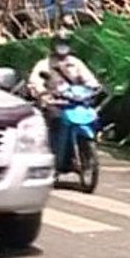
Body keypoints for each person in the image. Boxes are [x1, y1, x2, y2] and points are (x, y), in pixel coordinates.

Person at [27, 32, 100, 168]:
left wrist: (94, 87)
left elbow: (89, 79)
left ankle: (85, 153)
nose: (62, 47)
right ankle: (53, 154)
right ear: (53, 45)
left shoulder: (76, 63)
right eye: (59, 43)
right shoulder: (44, 64)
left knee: (92, 117)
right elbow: (35, 81)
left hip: (73, 101)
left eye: (65, 44)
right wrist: (42, 93)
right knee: (55, 119)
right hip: (54, 102)